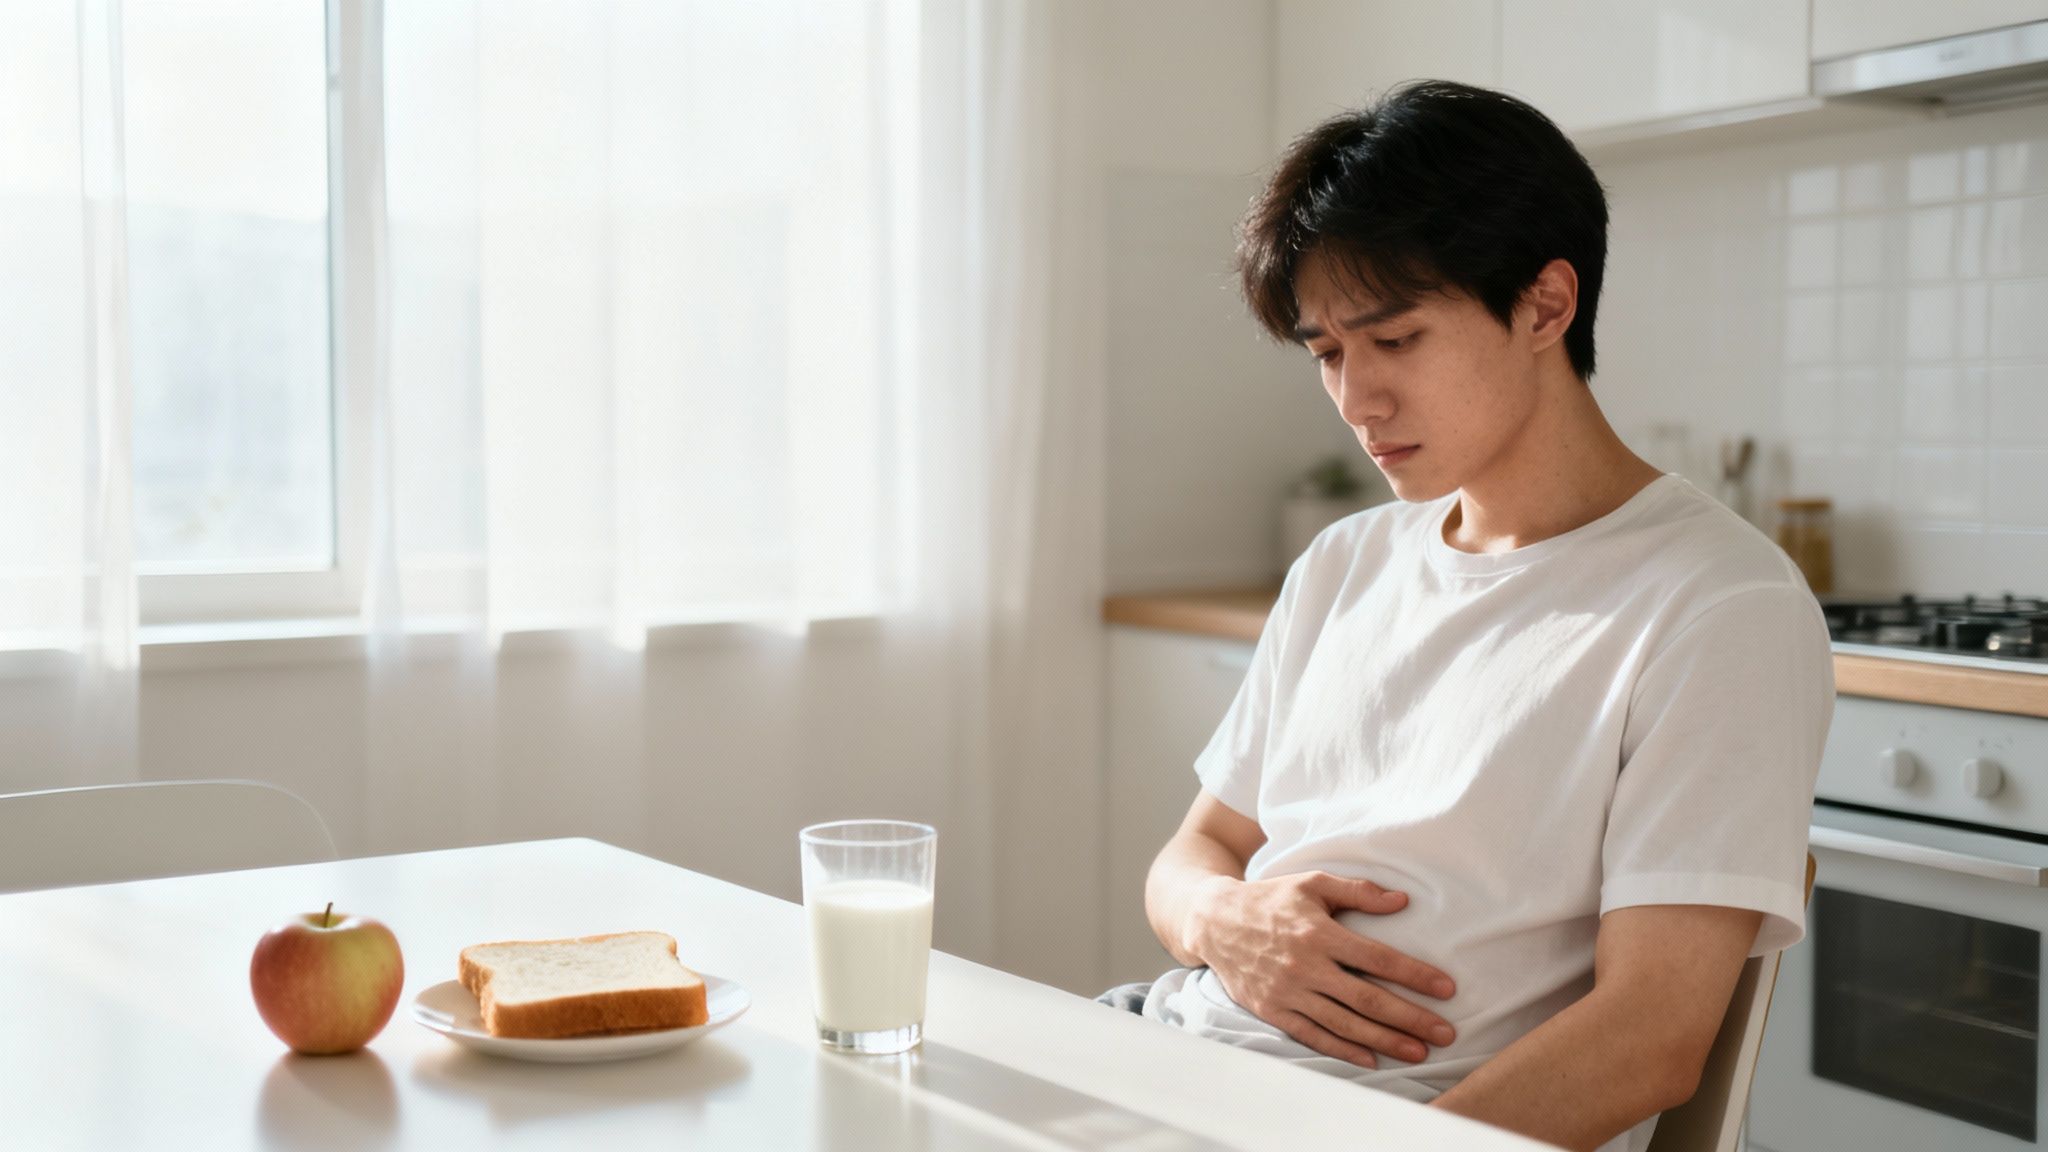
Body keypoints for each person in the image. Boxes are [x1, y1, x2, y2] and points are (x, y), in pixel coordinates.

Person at [1104, 81, 1834, 1152]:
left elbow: (1650, 1038)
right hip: (1162, 1052)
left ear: (1544, 304)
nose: (1356, 399)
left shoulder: (1716, 605)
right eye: (1326, 354)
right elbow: (1196, 850)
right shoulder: (1345, 563)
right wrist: (1221, 923)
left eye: (1393, 339)